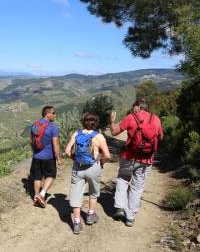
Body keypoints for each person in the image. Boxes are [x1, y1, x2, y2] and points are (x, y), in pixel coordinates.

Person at [109, 98, 163, 227]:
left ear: (138, 107)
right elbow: (160, 137)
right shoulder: (156, 119)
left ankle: (120, 208)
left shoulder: (131, 117)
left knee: (123, 179)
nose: (133, 108)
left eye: (134, 106)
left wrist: (111, 121)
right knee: (137, 187)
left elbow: (114, 132)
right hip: (146, 159)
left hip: (128, 156)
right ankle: (130, 217)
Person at [64, 113, 110, 234]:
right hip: (93, 167)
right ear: (96, 123)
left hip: (78, 167)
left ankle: (77, 223)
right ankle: (90, 215)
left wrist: (75, 160)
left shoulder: (76, 134)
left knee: (76, 194)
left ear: (83, 122)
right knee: (93, 192)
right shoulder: (99, 136)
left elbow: (67, 151)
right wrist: (101, 163)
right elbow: (107, 155)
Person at [30, 106, 62, 208]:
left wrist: (35, 152)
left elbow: (31, 141)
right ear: (47, 114)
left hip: (36, 156)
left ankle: (35, 197)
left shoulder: (34, 125)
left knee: (37, 177)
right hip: (48, 157)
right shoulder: (52, 127)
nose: (55, 115)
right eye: (53, 113)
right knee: (51, 175)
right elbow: (55, 144)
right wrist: (58, 158)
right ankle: (42, 194)